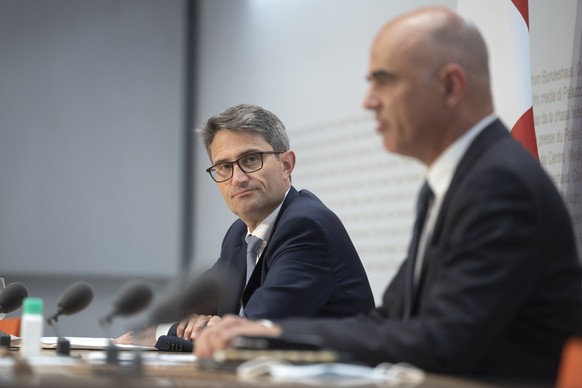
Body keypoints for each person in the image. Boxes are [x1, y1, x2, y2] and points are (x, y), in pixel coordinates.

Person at [193, 6, 582, 382]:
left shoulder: (499, 184)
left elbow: (444, 340)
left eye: (385, 81)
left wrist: (270, 335)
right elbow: (393, 318)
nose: (369, 101)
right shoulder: (453, 184)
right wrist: (272, 335)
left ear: (450, 86)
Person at [116, 103, 374, 346]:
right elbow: (192, 308)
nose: (237, 178)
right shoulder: (238, 235)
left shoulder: (306, 226)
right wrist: (181, 322)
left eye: (251, 159)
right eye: (224, 166)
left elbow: (251, 331)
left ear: (286, 165)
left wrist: (160, 333)